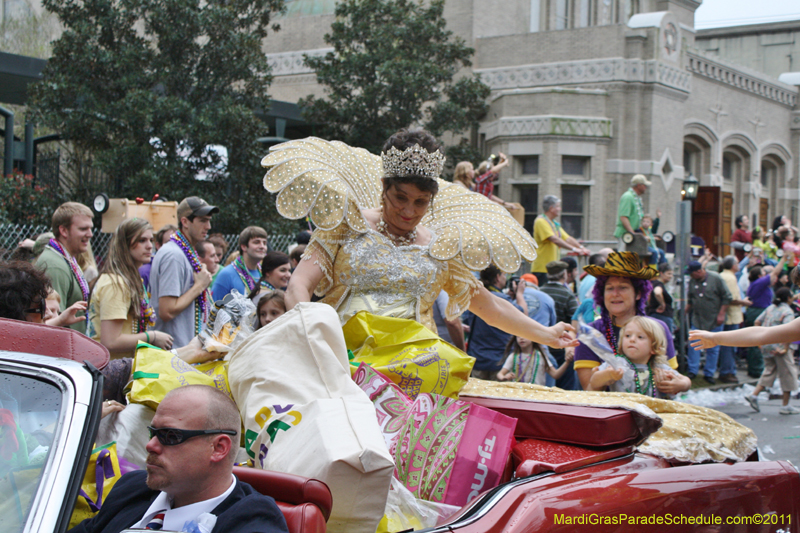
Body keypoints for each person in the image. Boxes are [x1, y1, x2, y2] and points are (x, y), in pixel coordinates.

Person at [271, 129, 576, 353]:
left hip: (414, 376)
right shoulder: (348, 222)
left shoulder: (440, 246)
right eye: (400, 197)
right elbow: (299, 285)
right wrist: (314, 337)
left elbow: (490, 306)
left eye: (420, 202)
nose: (409, 211)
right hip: (339, 362)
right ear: (383, 186)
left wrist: (545, 333)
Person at [68, 385, 289, 533]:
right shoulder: (132, 488)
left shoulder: (254, 520)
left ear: (218, 448)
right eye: (153, 432)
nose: (150, 445)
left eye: (170, 436)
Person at [574, 252, 678, 391]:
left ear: (638, 293)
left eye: (623, 287)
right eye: (609, 288)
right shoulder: (589, 335)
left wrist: (676, 384)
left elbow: (672, 379)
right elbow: (589, 390)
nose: (615, 294)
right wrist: (607, 376)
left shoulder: (658, 328)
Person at [87, 218, 173, 358]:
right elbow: (111, 341)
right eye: (141, 240)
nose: (149, 246)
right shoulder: (116, 284)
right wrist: (152, 336)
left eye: (151, 240)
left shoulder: (129, 279)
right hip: (109, 366)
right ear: (124, 244)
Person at [150, 196, 218, 348]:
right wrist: (199, 286)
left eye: (209, 220)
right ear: (185, 222)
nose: (208, 226)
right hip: (174, 353)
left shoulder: (185, 251)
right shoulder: (173, 256)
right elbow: (167, 311)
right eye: (202, 221)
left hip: (184, 350)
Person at [586, 316, 691, 397]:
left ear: (654, 348)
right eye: (627, 336)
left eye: (640, 337)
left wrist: (681, 385)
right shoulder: (617, 364)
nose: (632, 339)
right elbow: (593, 383)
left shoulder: (658, 368)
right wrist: (608, 375)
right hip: (622, 415)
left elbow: (686, 381)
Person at [35, 202, 93, 333]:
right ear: (63, 231)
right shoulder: (55, 266)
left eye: (90, 228)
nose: (90, 234)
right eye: (83, 229)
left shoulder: (66, 259)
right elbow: (52, 320)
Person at [463, 265, 527, 379]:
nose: (505, 278)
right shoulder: (502, 299)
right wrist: (519, 294)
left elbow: (468, 321)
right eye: (504, 275)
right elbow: (523, 316)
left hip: (477, 358)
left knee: (477, 390)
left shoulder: (475, 297)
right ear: (497, 277)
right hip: (499, 361)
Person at [742, 288, 799, 415]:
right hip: (779, 346)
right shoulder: (787, 311)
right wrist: (784, 347)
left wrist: (759, 340)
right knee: (787, 374)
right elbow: (789, 332)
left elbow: (757, 321)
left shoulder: (770, 308)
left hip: (766, 344)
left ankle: (754, 395)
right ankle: (785, 405)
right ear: (788, 298)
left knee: (769, 370)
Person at [685, 261, 731, 383]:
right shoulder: (693, 281)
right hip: (698, 318)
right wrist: (684, 312)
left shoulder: (716, 278)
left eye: (692, 273)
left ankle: (709, 373)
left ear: (699, 271)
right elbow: (690, 298)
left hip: (714, 319)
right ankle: (692, 370)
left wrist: (721, 314)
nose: (691, 276)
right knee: (694, 344)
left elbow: (727, 297)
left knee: (713, 347)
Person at [743, 253, 787, 378]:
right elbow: (775, 273)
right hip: (758, 312)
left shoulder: (757, 284)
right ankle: (756, 369)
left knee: (756, 341)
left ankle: (756, 368)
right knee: (757, 340)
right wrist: (784, 259)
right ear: (759, 275)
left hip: (757, 311)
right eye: (764, 272)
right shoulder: (759, 283)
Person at [530, 195, 590, 286]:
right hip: (542, 268)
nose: (560, 209)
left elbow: (567, 238)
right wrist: (574, 249)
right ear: (551, 208)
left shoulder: (553, 223)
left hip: (553, 268)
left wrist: (581, 248)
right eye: (558, 206)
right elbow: (554, 239)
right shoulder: (541, 221)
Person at [539, 260, 579, 390]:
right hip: (562, 348)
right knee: (563, 387)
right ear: (564, 275)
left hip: (542, 347)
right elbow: (575, 320)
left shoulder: (540, 292)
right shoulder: (568, 294)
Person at [715, 255, 751, 384]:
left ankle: (727, 370)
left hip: (730, 315)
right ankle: (727, 371)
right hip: (730, 315)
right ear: (733, 265)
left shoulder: (725, 275)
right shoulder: (729, 278)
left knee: (728, 345)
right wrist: (744, 302)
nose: (739, 265)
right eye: (737, 263)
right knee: (729, 346)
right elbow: (730, 298)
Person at [212, 227, 269, 301]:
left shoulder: (266, 273)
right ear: (244, 247)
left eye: (264, 243)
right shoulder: (227, 274)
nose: (262, 246)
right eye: (256, 242)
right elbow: (216, 304)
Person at [497, 335, 573, 385]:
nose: (521, 338)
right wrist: (504, 377)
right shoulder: (514, 356)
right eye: (518, 336)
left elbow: (555, 374)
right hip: (517, 393)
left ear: (533, 338)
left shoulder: (540, 356)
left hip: (536, 394)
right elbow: (500, 374)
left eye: (525, 335)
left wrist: (567, 362)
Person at [614, 174, 650, 249]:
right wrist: (632, 234)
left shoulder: (636, 198)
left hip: (633, 234)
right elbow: (623, 217)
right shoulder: (628, 197)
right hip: (626, 235)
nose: (646, 187)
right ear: (639, 185)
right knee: (624, 254)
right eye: (644, 185)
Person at [645, 262, 674, 333]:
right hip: (662, 317)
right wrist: (662, 304)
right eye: (669, 274)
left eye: (671, 274)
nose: (671, 276)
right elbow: (657, 292)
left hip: (653, 315)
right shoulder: (659, 284)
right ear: (661, 273)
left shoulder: (653, 284)